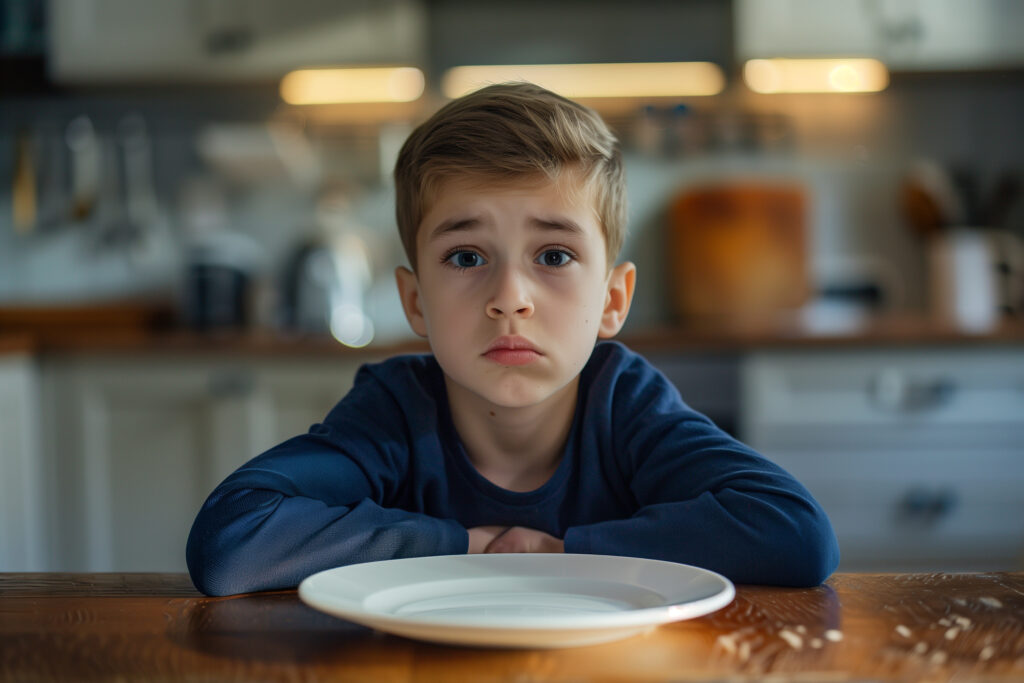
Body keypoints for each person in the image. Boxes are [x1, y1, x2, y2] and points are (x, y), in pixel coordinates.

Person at [186, 82, 839, 596]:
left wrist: (559, 553)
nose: (509, 297)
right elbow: (233, 539)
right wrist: (467, 545)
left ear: (612, 299)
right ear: (416, 300)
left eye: (553, 256)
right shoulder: (394, 410)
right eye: (467, 257)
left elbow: (796, 534)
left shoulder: (625, 404)